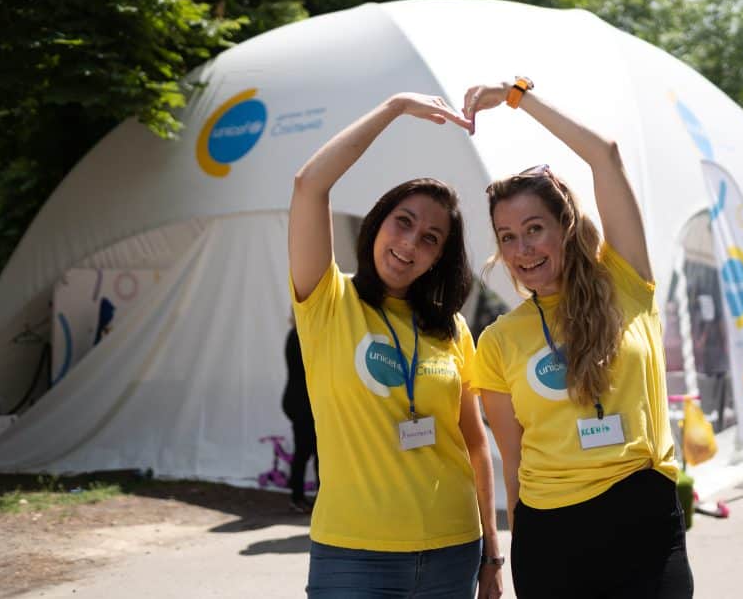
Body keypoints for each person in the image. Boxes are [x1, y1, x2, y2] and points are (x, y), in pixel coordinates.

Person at [464, 79, 694, 598]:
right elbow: (514, 463)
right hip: (551, 539)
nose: (523, 249)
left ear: (565, 224)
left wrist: (519, 96)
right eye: (507, 237)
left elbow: (605, 155)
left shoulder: (625, 281)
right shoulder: (498, 340)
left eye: (534, 228)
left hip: (644, 519)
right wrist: (516, 550)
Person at [288, 92, 502, 598]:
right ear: (378, 222)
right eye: (403, 221)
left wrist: (492, 552)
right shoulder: (328, 300)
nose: (410, 243)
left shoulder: (450, 328)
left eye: (430, 238)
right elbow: (309, 184)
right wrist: (394, 108)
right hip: (352, 554)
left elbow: (474, 443)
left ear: (439, 259)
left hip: (453, 548)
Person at [283, 310, 319, 513]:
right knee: (306, 452)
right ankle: (298, 497)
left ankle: (302, 497)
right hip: (302, 404)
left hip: (301, 402)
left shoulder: (297, 335)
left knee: (308, 453)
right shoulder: (299, 337)